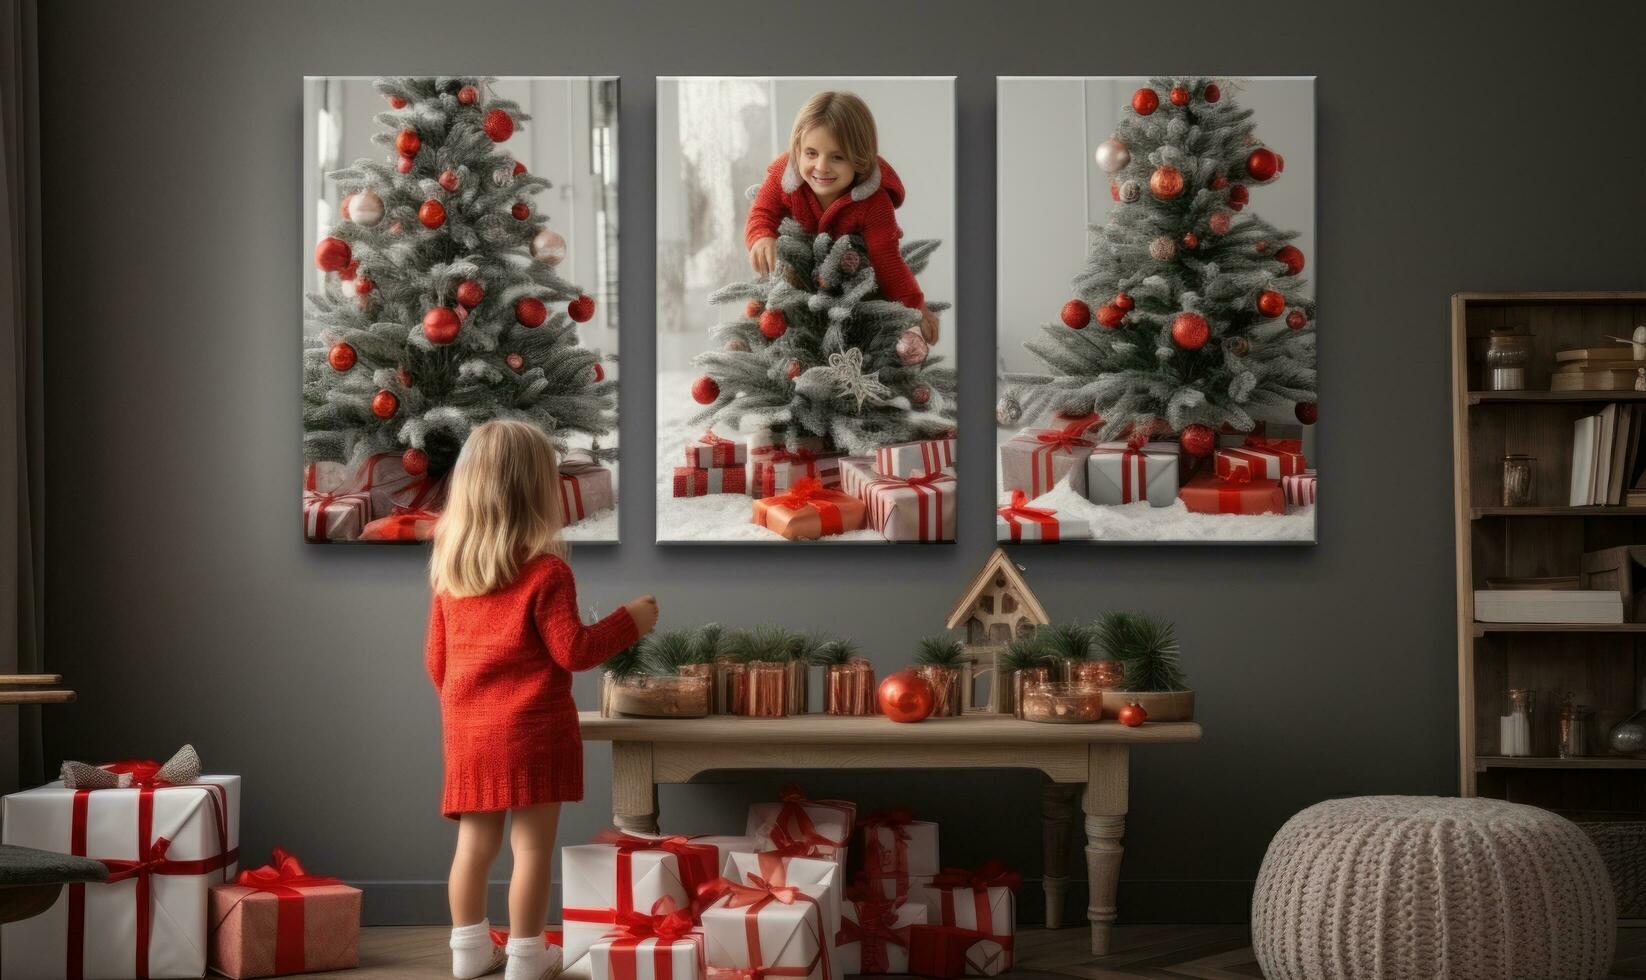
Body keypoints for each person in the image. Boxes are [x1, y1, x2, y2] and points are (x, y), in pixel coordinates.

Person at [424, 420, 659, 980]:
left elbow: (437, 662)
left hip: (470, 734)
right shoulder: (547, 572)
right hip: (531, 732)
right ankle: (528, 956)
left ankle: (469, 951)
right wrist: (633, 620)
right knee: (530, 852)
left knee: (473, 849)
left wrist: (471, 710)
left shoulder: (451, 574)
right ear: (537, 491)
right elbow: (574, 650)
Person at [746, 90, 940, 343]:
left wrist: (916, 308)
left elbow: (887, 260)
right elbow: (762, 213)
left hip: (848, 285)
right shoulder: (784, 175)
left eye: (837, 157)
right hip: (793, 281)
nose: (822, 166)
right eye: (811, 153)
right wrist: (761, 237)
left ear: (859, 159)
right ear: (797, 149)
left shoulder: (874, 202)